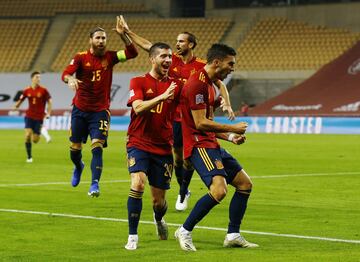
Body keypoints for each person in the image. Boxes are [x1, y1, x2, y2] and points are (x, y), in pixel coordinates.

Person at [118, 15, 235, 211]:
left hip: (190, 117)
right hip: (172, 117)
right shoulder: (170, 61)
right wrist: (128, 32)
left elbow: (219, 82)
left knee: (188, 159)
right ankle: (183, 190)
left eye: (181, 41)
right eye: (177, 41)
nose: (177, 44)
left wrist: (227, 104)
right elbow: (149, 46)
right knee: (178, 158)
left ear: (191, 44)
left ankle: (183, 190)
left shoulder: (200, 64)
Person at [175, 43, 258, 251]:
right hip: (198, 145)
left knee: (245, 184)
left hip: (210, 143)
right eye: (231, 64)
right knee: (219, 191)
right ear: (216, 62)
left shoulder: (211, 84)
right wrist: (233, 128)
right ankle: (184, 230)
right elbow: (200, 123)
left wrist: (230, 136)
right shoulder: (197, 84)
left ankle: (233, 234)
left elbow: (208, 123)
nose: (233, 68)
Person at [61, 16, 138, 197]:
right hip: (80, 109)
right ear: (91, 40)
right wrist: (70, 79)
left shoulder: (111, 57)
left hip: (100, 111)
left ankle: (94, 184)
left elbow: (132, 53)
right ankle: (78, 166)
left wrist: (123, 35)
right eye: (98, 38)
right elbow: (65, 73)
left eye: (104, 38)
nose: (101, 41)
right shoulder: (80, 58)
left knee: (97, 146)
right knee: (75, 149)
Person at [125, 42, 183, 250]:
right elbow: (138, 107)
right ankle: (133, 236)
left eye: (169, 57)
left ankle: (159, 219)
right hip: (138, 142)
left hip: (163, 148)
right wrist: (162, 96)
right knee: (138, 183)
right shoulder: (138, 81)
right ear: (152, 59)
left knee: (158, 202)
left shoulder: (176, 85)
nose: (168, 60)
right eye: (163, 56)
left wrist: (220, 100)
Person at [13, 71, 52, 163]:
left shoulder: (43, 90)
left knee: (35, 140)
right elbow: (20, 100)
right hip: (29, 116)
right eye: (37, 77)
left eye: (39, 77)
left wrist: (49, 113)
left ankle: (43, 131)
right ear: (32, 78)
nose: (39, 79)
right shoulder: (27, 90)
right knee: (27, 135)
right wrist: (16, 106)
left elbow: (50, 101)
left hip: (39, 117)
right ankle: (29, 157)